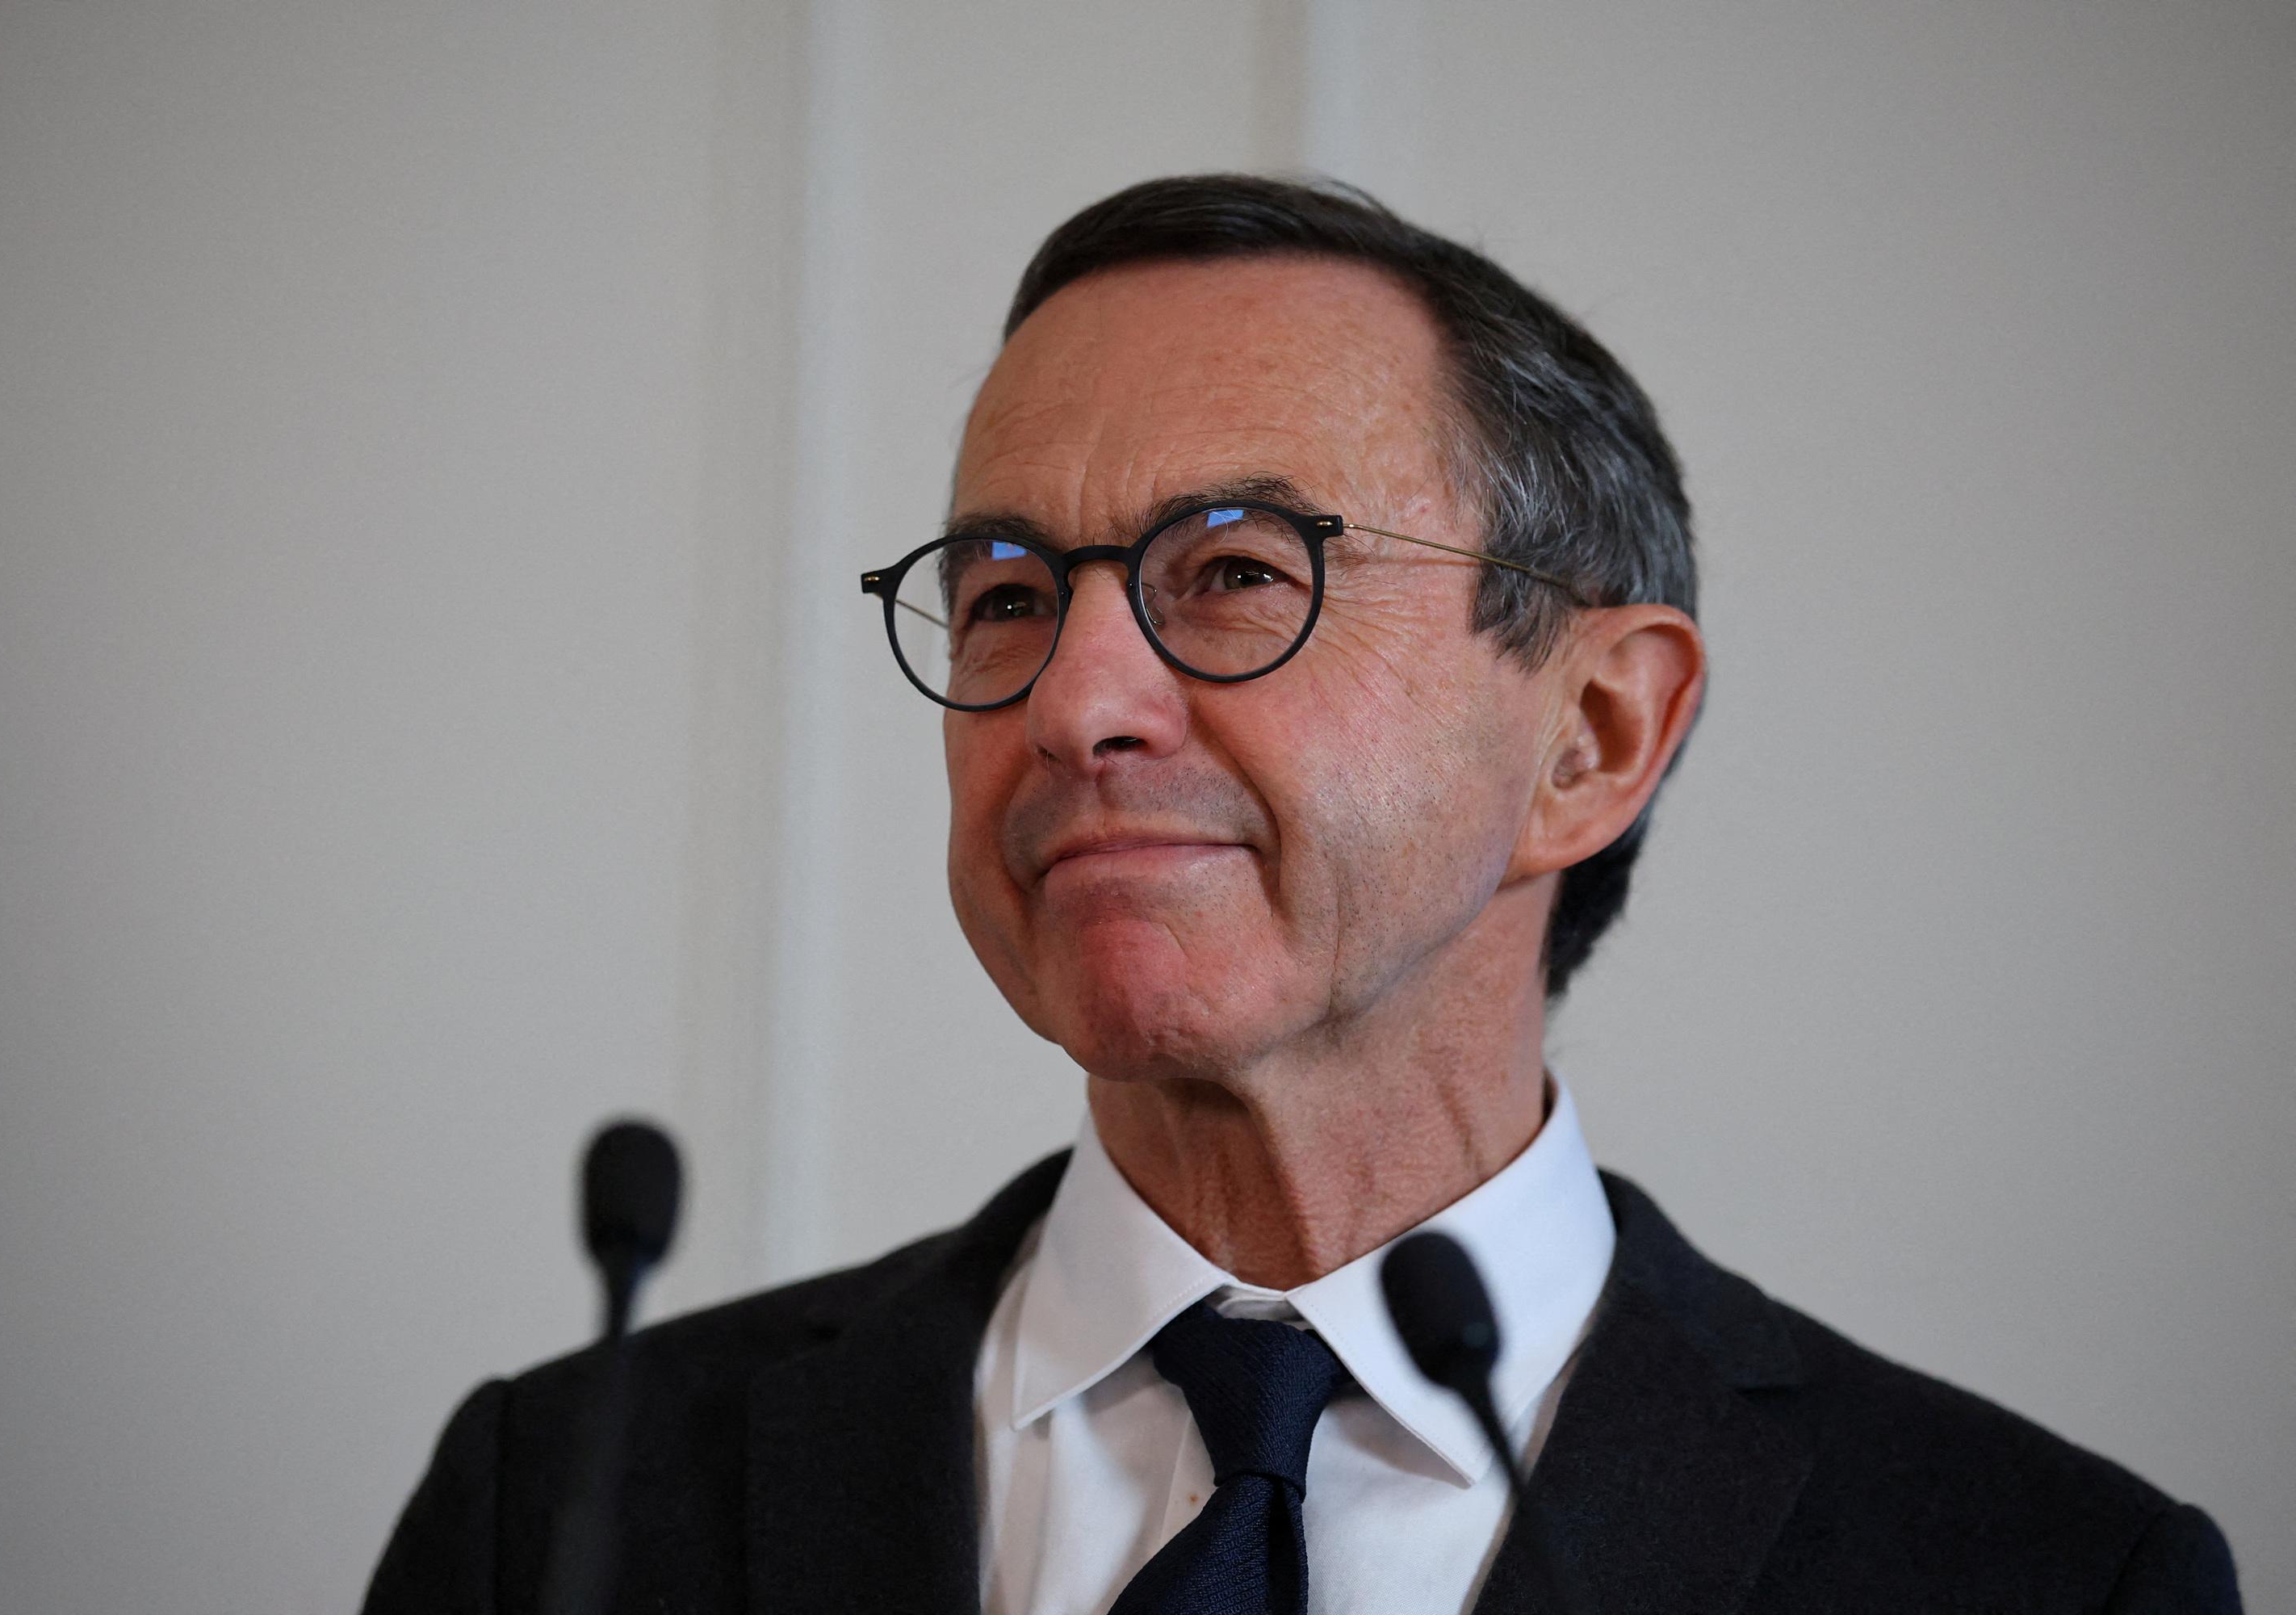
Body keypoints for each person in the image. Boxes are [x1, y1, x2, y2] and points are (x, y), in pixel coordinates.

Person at [364, 175, 2241, 1613]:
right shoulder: (559, 1505)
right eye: (1008, 595)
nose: (1074, 702)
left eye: (1239, 572)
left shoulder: (2047, 1574)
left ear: (1590, 734)